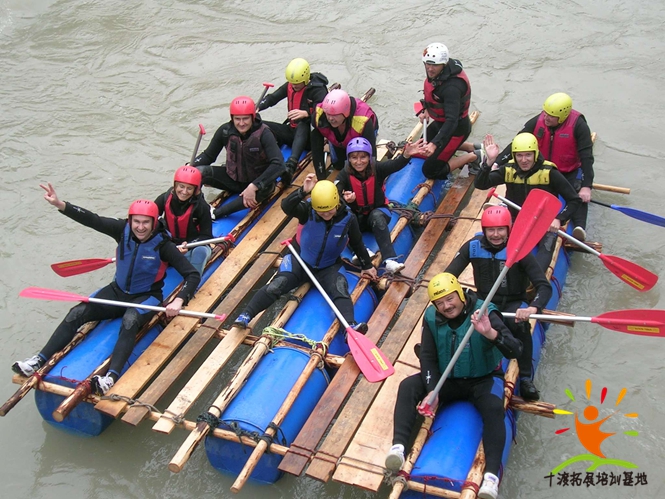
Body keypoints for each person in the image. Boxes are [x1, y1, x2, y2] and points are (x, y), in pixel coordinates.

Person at [13, 184, 200, 395]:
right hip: (116, 291)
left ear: (154, 222)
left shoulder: (164, 245)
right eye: (136, 222)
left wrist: (180, 299)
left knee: (130, 321)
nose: (140, 227)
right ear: (130, 220)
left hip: (146, 296)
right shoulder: (121, 230)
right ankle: (38, 360)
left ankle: (110, 378)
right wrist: (60, 204)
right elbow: (92, 219)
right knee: (77, 312)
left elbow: (192, 274)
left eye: (146, 222)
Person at [386, 273, 522, 499]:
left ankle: (491, 478)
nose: (446, 306)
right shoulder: (431, 317)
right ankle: (398, 448)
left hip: (483, 379)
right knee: (408, 385)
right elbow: (427, 357)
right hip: (447, 380)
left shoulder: (486, 311)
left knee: (493, 409)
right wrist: (432, 390)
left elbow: (515, 350)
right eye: (440, 303)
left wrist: (489, 332)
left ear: (460, 294)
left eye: (450, 299)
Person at [233, 174, 377, 331]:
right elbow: (286, 206)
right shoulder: (307, 210)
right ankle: (246, 315)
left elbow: (357, 243)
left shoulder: (349, 218)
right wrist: (302, 191)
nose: (326, 215)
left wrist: (367, 265)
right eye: (321, 212)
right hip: (300, 260)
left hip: (328, 266)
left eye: (329, 211)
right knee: (277, 285)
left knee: (340, 289)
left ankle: (350, 326)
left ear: (336, 203)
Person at [445, 205, 552, 401]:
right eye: (491, 230)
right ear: (484, 230)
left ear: (509, 229)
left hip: (513, 303)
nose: (496, 235)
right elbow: (448, 277)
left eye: (501, 229)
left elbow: (544, 286)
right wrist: (460, 300)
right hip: (483, 301)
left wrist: (532, 307)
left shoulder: (520, 250)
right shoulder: (472, 247)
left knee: (519, 326)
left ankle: (526, 378)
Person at [493, 93, 594, 241]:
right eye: (545, 113)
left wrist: (587, 186)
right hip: (543, 171)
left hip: (569, 171)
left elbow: (587, 158)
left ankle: (579, 227)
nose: (546, 117)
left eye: (551, 116)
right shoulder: (539, 121)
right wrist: (497, 163)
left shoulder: (579, 126)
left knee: (577, 195)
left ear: (562, 116)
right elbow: (516, 143)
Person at [474, 132, 582, 271]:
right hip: (516, 219)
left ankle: (535, 278)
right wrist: (489, 162)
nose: (524, 160)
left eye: (528, 155)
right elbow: (480, 184)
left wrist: (559, 219)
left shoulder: (549, 172)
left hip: (543, 223)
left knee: (546, 246)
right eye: (519, 155)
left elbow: (574, 200)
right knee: (498, 245)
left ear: (535, 154)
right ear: (514, 156)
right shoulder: (508, 170)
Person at [336, 137, 427, 274]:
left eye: (363, 157)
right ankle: (359, 251)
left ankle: (390, 260)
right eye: (354, 158)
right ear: (349, 159)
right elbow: (335, 194)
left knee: (376, 216)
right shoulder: (344, 174)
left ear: (369, 157)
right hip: (357, 219)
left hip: (378, 212)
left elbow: (394, 165)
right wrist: (345, 199)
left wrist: (406, 155)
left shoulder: (377, 168)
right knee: (343, 215)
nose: (359, 162)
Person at [192, 95, 286, 219]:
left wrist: (254, 186)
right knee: (198, 172)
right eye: (237, 119)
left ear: (252, 117)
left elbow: (279, 164)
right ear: (232, 118)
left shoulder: (264, 133)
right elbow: (208, 156)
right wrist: (190, 168)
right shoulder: (225, 131)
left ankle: (215, 213)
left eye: (245, 119)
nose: (241, 123)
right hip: (233, 179)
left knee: (266, 189)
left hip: (258, 184)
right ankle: (196, 206)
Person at [258, 58, 329, 182]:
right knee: (261, 125)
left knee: (302, 123)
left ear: (305, 79)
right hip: (292, 131)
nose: (294, 85)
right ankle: (263, 156)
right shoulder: (291, 85)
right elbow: (272, 98)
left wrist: (306, 113)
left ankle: (291, 165)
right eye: (292, 83)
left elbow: (325, 113)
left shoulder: (318, 90)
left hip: (310, 138)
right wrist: (257, 107)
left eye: (297, 83)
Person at [417, 42, 480, 180]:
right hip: (441, 123)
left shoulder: (452, 88)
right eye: (427, 64)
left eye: (434, 65)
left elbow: (452, 121)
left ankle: (474, 156)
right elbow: (432, 94)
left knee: (430, 171)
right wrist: (425, 109)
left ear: (444, 64)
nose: (430, 69)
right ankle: (470, 147)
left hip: (456, 129)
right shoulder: (437, 74)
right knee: (420, 147)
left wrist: (434, 144)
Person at [154, 166, 213, 277]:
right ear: (175, 185)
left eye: (189, 188)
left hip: (192, 247)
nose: (184, 192)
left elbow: (206, 236)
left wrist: (188, 246)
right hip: (170, 246)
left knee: (200, 252)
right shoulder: (164, 198)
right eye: (181, 186)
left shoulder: (202, 207)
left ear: (195, 189)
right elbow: (150, 221)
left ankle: (192, 280)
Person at [311, 89, 379, 180]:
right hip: (338, 139)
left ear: (345, 113)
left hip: (359, 137)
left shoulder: (363, 121)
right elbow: (316, 151)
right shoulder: (318, 117)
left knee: (357, 167)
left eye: (334, 115)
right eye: (328, 114)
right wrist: (321, 178)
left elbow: (371, 155)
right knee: (339, 165)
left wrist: (370, 178)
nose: (330, 119)